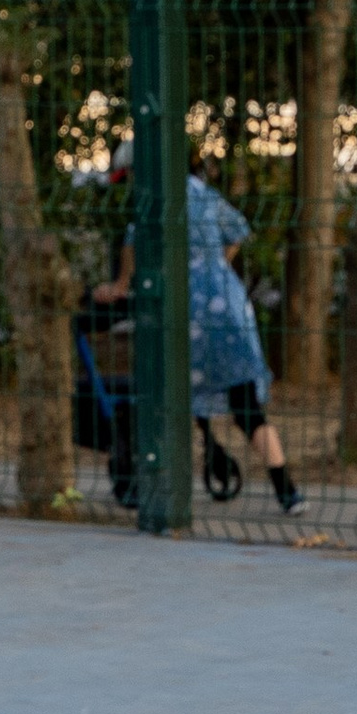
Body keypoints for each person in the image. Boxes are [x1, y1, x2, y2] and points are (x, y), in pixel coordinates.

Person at [100, 144, 305, 512]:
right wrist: (212, 268)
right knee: (246, 406)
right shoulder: (201, 191)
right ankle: (287, 491)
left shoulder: (152, 200)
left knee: (167, 392)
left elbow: (131, 251)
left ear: (138, 170)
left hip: (184, 310)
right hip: (229, 305)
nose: (128, 183)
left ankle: (153, 487)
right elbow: (237, 230)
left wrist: (118, 287)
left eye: (128, 176)